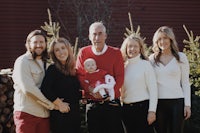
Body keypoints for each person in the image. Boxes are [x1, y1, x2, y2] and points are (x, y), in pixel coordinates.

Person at [76, 21, 125, 133]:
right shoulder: (83, 52)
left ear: (105, 35)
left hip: (111, 103)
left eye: (100, 33)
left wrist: (108, 93)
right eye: (94, 34)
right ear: (89, 36)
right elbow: (80, 76)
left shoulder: (115, 53)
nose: (97, 37)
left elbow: (120, 77)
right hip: (93, 104)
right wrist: (90, 90)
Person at [149, 26, 191, 133]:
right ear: (156, 42)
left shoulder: (181, 57)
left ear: (171, 39)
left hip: (177, 102)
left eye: (165, 38)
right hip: (158, 103)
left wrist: (187, 105)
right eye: (159, 39)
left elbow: (185, 83)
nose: (162, 41)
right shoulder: (152, 59)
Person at [12, 30, 55, 133]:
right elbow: (28, 89)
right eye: (35, 42)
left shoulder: (47, 63)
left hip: (44, 115)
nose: (38, 45)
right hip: (27, 114)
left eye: (41, 42)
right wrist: (52, 105)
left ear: (45, 44)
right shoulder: (22, 61)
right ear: (28, 44)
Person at [40, 38, 82, 133]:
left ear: (68, 49)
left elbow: (73, 91)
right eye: (57, 50)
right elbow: (45, 89)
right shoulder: (53, 69)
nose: (61, 52)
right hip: (60, 116)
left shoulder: (73, 70)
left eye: (63, 48)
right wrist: (59, 103)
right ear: (53, 53)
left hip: (75, 115)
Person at [120, 34, 158, 133]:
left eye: (136, 46)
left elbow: (153, 89)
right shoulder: (123, 66)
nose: (133, 49)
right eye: (130, 46)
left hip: (143, 109)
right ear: (126, 48)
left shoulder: (145, 65)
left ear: (140, 48)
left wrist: (152, 111)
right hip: (126, 109)